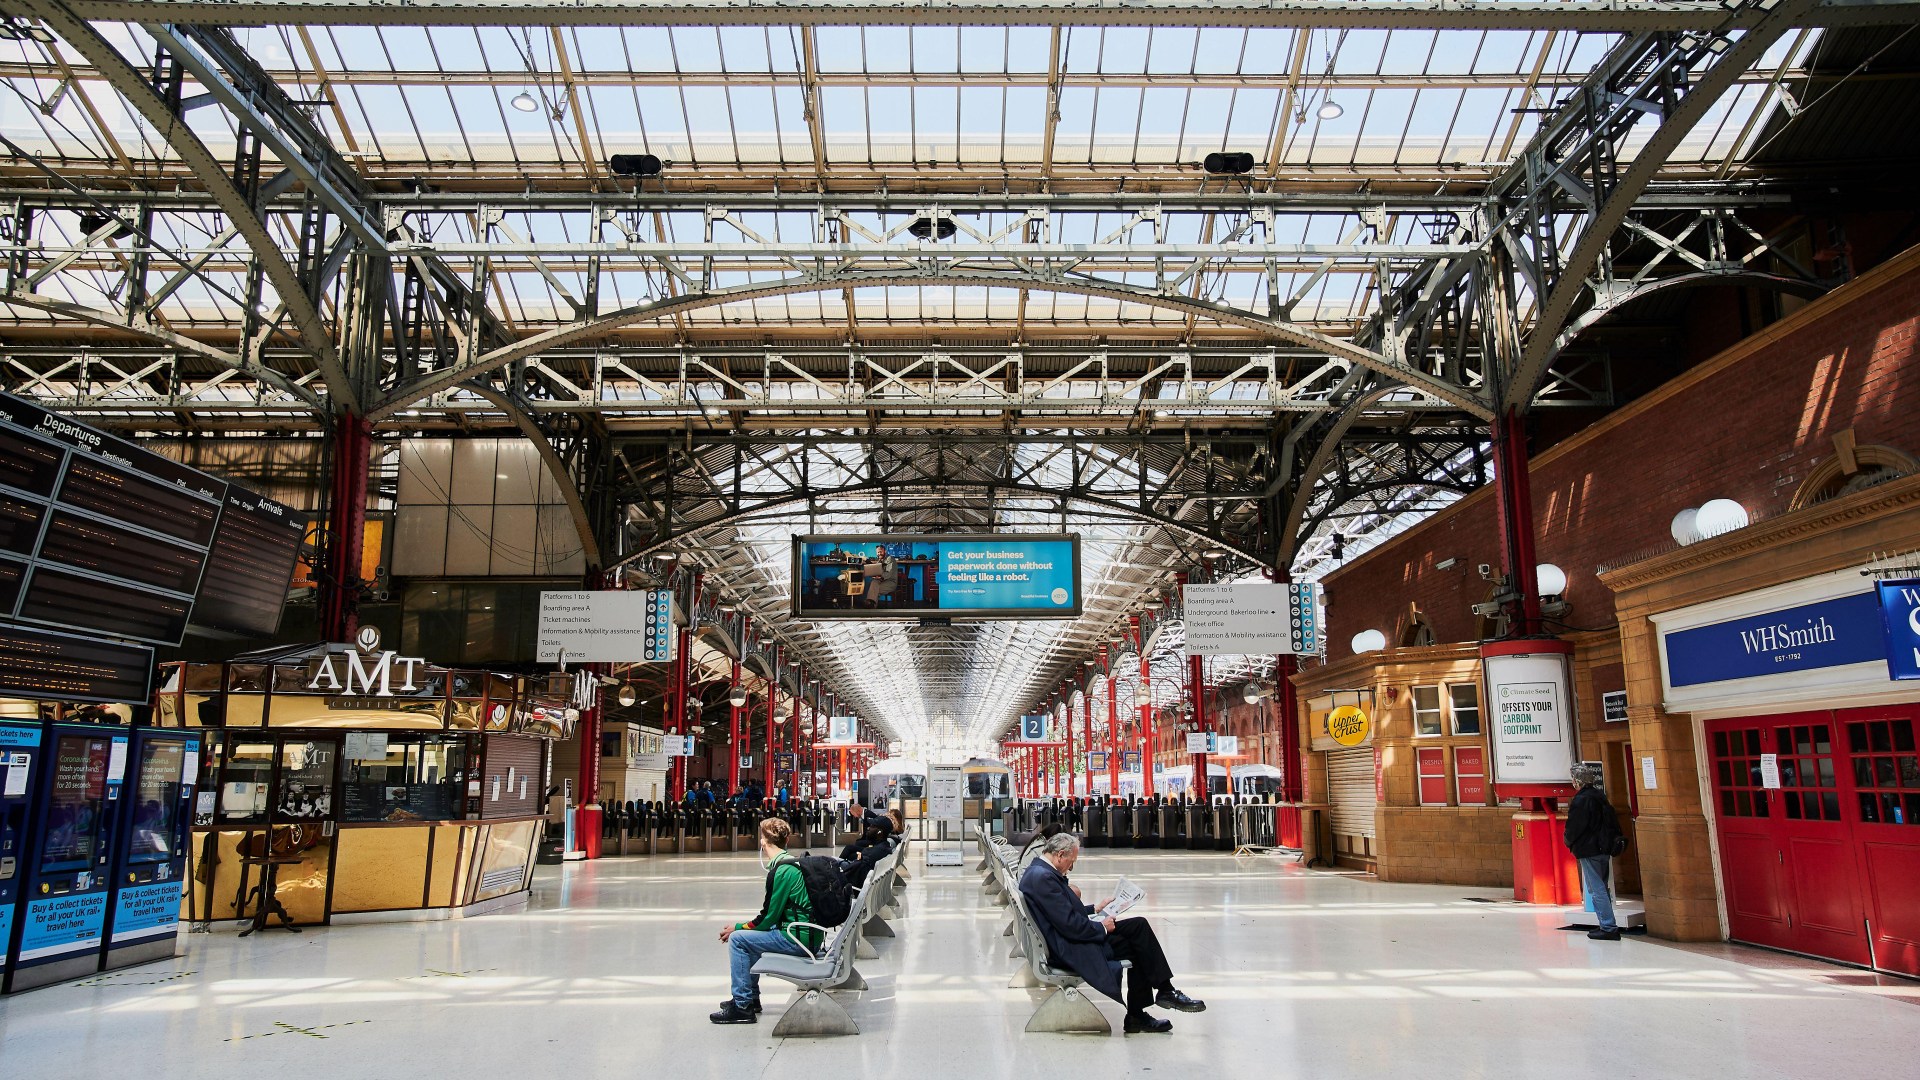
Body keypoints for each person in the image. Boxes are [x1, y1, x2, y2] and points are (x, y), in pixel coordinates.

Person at [1018, 832, 1204, 1034]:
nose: (1071, 867)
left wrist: (1094, 910)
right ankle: (1153, 1001)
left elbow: (1058, 913)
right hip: (1070, 948)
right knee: (1138, 935)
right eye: (1071, 862)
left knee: (1138, 932)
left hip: (1067, 939)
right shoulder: (1044, 878)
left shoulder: (1038, 871)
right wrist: (1101, 927)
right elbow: (1070, 925)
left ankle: (1153, 1001)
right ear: (1060, 855)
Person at [711, 817, 819, 1025]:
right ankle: (750, 998)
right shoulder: (791, 863)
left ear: (763, 841)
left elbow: (768, 918)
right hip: (808, 933)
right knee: (748, 938)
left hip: (797, 938)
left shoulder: (782, 871)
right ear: (786, 840)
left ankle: (743, 1006)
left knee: (738, 940)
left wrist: (737, 927)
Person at [1563, 762, 1625, 941]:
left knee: (1595, 888)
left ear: (1577, 781)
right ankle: (1608, 923)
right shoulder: (1600, 796)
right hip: (1604, 848)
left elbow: (1575, 827)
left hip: (1589, 849)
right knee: (1602, 887)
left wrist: (1568, 840)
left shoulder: (1581, 800)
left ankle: (1608, 926)